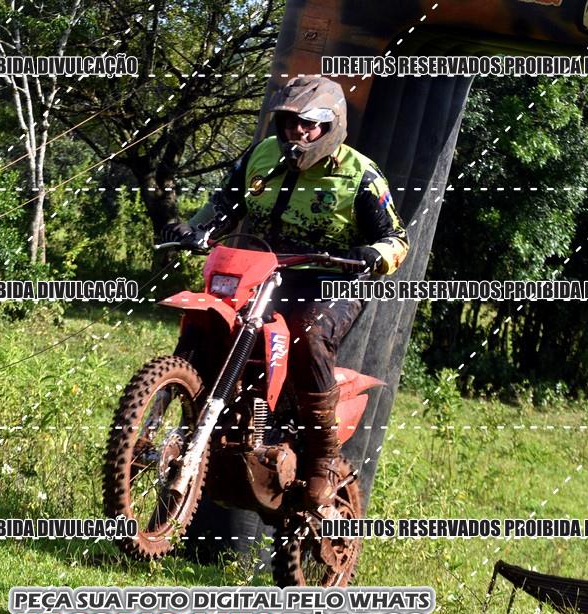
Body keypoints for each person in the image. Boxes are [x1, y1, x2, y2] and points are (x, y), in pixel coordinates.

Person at [163, 75, 408, 508]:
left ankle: (322, 459)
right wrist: (195, 229)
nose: (299, 131)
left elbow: (396, 238)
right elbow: (224, 204)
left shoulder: (361, 175)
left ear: (331, 124)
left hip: (330, 279)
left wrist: (373, 253)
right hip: (262, 268)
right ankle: (176, 417)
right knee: (210, 323)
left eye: (309, 123)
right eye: (290, 121)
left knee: (307, 334)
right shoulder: (261, 156)